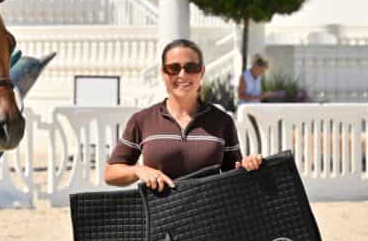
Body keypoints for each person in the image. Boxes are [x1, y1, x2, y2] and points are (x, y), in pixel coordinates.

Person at [104, 38, 263, 192]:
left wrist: (248, 165)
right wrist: (138, 170)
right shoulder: (142, 120)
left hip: (209, 216)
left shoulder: (222, 121)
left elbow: (233, 173)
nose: (182, 75)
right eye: (174, 68)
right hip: (160, 216)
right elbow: (110, 173)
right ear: (163, 72)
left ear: (201, 72)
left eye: (191, 68)